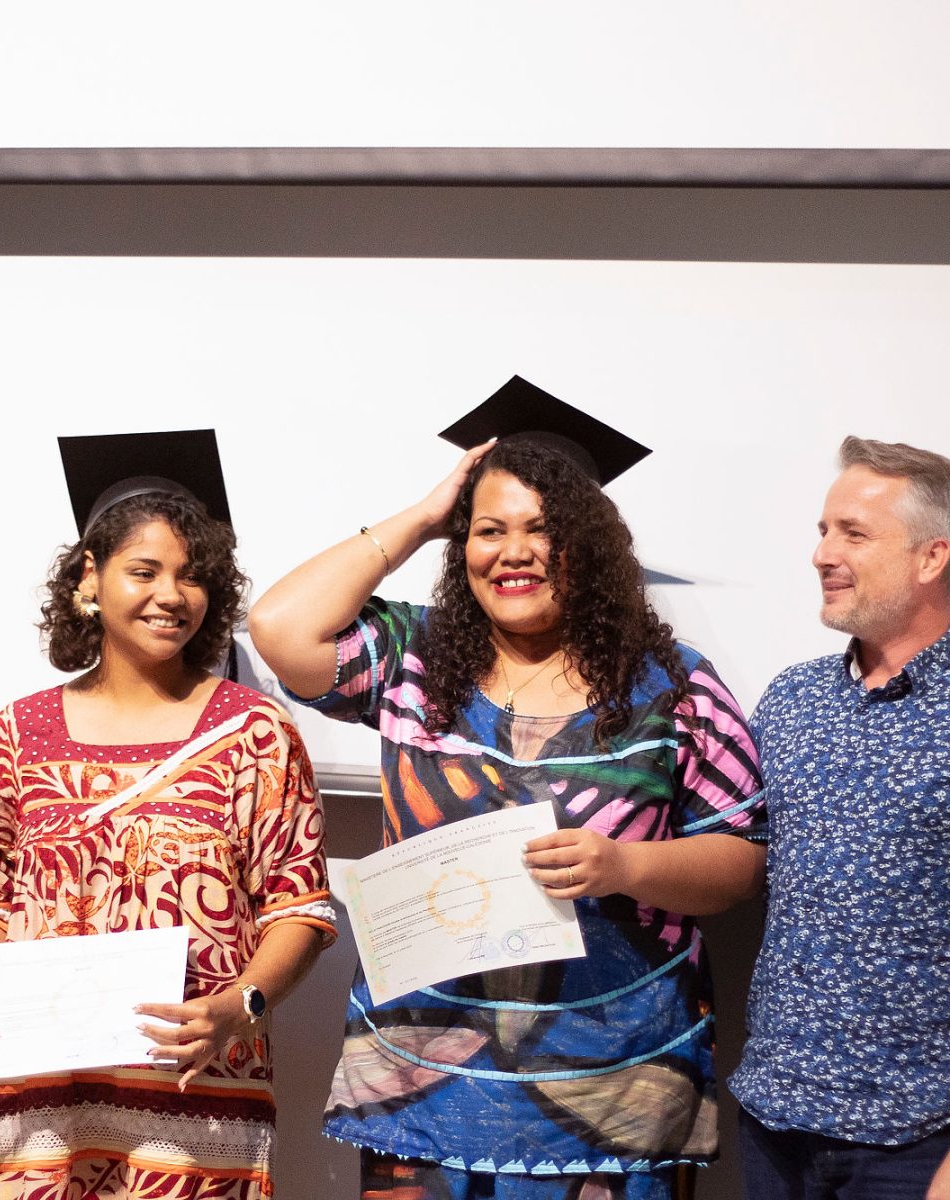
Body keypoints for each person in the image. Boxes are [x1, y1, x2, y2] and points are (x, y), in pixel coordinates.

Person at [250, 379, 766, 1200]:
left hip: (615, 1098)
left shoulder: (673, 686)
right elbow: (280, 628)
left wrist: (623, 866)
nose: (513, 552)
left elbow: (738, 860)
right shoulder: (414, 661)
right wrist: (428, 515)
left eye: (543, 529)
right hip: (422, 1094)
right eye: (489, 531)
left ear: (590, 545)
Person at [0, 429, 336, 1200]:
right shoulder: (19, 732)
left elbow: (300, 908)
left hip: (199, 1102)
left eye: (192, 576)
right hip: (45, 1107)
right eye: (144, 571)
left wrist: (239, 1006)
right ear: (91, 575)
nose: (170, 596)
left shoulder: (254, 732)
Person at [730, 436, 950, 1199]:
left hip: (918, 1139)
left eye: (854, 534)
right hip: (774, 1122)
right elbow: (739, 853)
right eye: (824, 531)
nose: (823, 554)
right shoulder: (791, 700)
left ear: (932, 557)